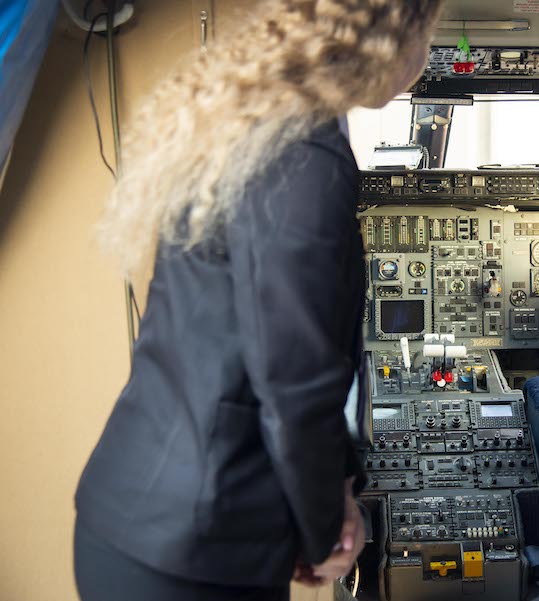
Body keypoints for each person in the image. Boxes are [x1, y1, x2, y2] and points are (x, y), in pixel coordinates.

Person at [73, 2, 445, 600]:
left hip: (150, 518)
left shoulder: (256, 126)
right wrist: (326, 529)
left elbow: (245, 353)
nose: (425, 58)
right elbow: (296, 380)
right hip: (195, 544)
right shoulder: (304, 157)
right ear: (390, 37)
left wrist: (335, 487)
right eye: (427, 35)